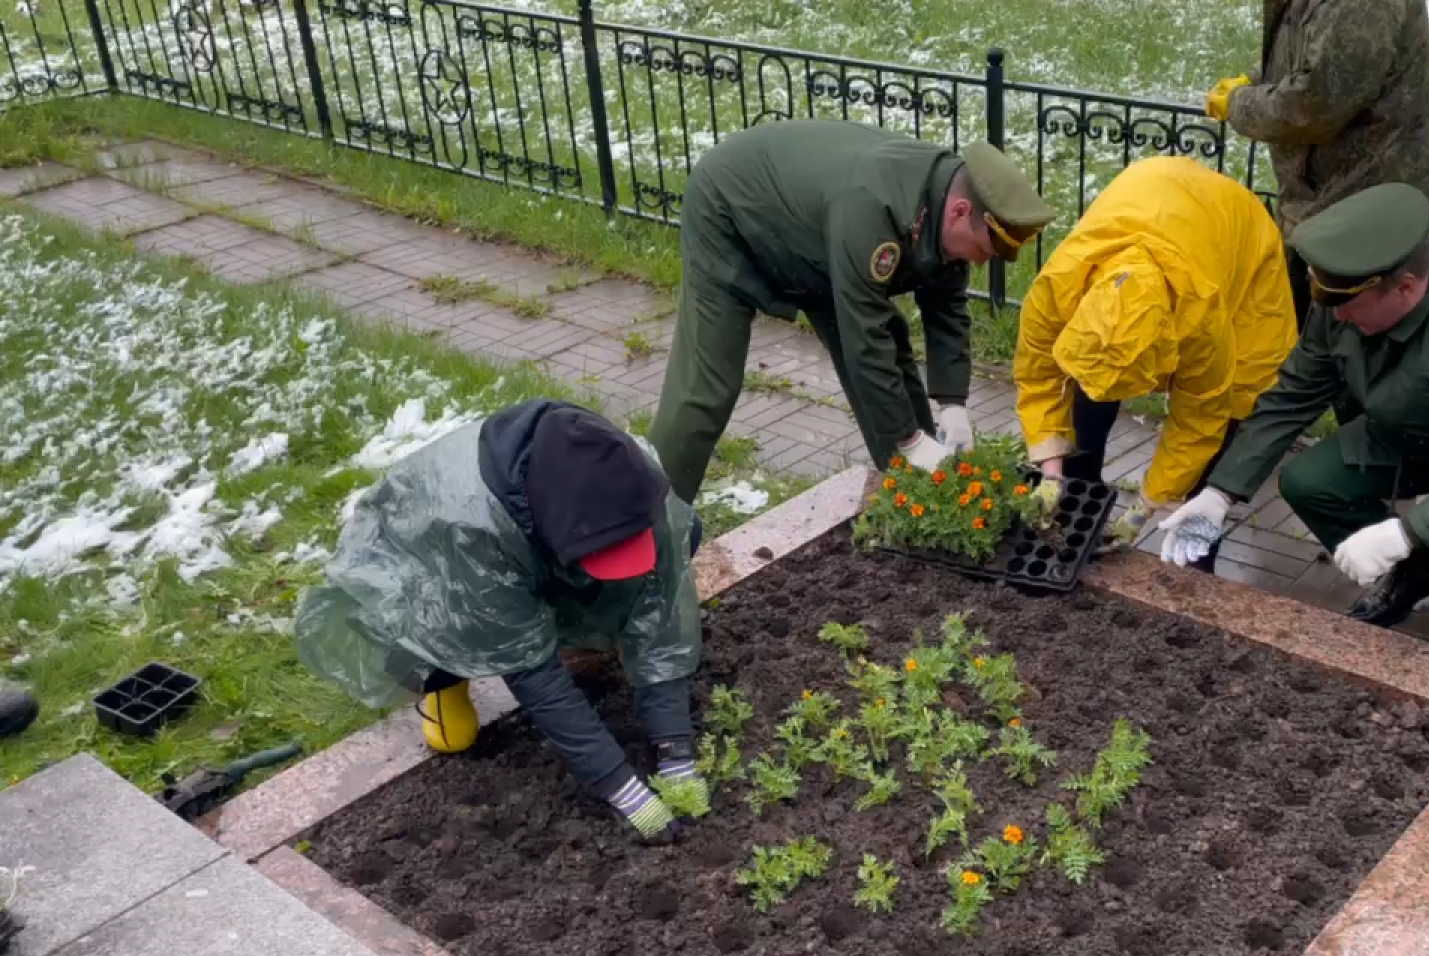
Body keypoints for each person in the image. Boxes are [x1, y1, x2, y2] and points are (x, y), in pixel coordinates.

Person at [1157, 183, 1429, 664]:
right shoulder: (1345, 296)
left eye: (1348, 307)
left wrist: (1405, 532)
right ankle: (1420, 572)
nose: (1336, 316)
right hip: (1417, 420)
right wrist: (1220, 493)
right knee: (1308, 481)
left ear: (1406, 287)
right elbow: (1292, 396)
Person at [295, 399, 706, 843]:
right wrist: (624, 789)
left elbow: (661, 613)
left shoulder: (632, 484)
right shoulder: (470, 531)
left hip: (537, 551)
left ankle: (560, 615)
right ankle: (445, 678)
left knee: (670, 550)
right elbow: (535, 675)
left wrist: (675, 750)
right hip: (431, 566)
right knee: (456, 699)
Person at [649, 119, 1055, 503]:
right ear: (961, 212)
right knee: (706, 387)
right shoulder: (873, 206)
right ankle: (648, 528)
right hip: (732, 210)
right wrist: (909, 440)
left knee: (889, 349)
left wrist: (953, 404)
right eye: (983, 250)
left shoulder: (944, 197)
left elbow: (946, 304)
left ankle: (921, 490)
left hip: (814, 239)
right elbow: (864, 342)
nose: (982, 262)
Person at [1012, 155, 1298, 569]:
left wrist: (1145, 507)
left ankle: (1197, 543)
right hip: (1154, 195)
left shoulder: (1201, 319)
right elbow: (1038, 377)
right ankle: (1078, 501)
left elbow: (1199, 419)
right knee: (1092, 381)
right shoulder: (1058, 288)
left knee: (1239, 396)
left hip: (1237, 232)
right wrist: (1051, 471)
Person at [1205, 0, 1429, 332]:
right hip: (1321, 203)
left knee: (1345, 345)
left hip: (1363, 214)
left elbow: (1313, 106)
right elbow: (1314, 57)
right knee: (1307, 349)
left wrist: (1239, 104)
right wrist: (1256, 79)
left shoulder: (1360, 7)